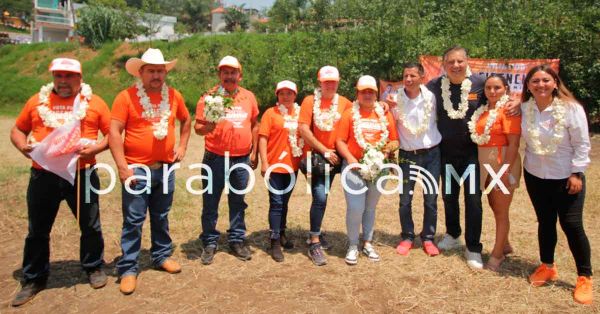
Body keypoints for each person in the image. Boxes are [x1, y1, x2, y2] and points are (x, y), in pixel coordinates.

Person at [10, 58, 109, 306]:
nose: (63, 81)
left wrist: (96, 148)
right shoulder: (37, 101)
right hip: (44, 175)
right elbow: (17, 130)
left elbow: (112, 134)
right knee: (38, 229)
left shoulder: (94, 103)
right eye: (58, 76)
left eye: (69, 76)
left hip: (83, 173)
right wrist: (23, 147)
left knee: (90, 223)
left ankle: (93, 267)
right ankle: (34, 278)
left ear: (80, 78)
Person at [426, 46, 519, 269]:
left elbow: (503, 96)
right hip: (446, 153)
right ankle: (452, 233)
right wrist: (383, 103)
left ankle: (473, 247)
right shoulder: (435, 85)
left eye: (460, 61)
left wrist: (519, 102)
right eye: (451, 62)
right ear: (444, 65)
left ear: (467, 62)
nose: (456, 66)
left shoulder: (479, 84)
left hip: (472, 156)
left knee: (473, 200)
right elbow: (413, 97)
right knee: (449, 196)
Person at [109, 48, 191, 295]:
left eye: (160, 71)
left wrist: (183, 146)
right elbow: (114, 132)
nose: (156, 75)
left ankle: (161, 255)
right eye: (152, 71)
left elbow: (186, 121)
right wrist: (123, 167)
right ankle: (128, 268)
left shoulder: (174, 96)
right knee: (134, 221)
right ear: (141, 72)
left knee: (161, 215)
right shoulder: (126, 97)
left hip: (166, 168)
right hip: (137, 169)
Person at [520, 65, 592, 304]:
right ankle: (547, 266)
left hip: (565, 176)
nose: (540, 85)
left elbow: (582, 144)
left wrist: (577, 173)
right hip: (535, 174)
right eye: (535, 81)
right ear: (528, 86)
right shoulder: (524, 109)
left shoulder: (571, 109)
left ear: (554, 82)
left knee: (572, 225)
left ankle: (584, 276)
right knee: (546, 222)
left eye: (545, 80)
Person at [195, 56, 259, 265]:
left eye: (233, 72)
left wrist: (254, 152)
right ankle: (210, 241)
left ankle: (237, 239)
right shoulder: (210, 97)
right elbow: (198, 128)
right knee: (211, 201)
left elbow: (255, 124)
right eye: (225, 72)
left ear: (239, 75)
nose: (229, 76)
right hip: (215, 158)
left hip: (241, 158)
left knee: (238, 201)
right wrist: (209, 127)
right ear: (219, 75)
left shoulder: (249, 97)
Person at [336, 75, 399, 265]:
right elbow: (339, 141)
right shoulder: (349, 114)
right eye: (364, 92)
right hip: (354, 168)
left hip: (378, 168)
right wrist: (352, 160)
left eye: (371, 91)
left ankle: (368, 242)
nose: (368, 95)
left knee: (370, 208)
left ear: (376, 94)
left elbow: (394, 140)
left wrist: (385, 153)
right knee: (356, 208)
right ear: (358, 93)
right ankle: (353, 245)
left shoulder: (384, 113)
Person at [298, 65, 353, 266]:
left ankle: (317, 233)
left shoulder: (345, 103)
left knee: (327, 196)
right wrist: (324, 151)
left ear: (338, 82)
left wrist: (381, 105)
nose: (330, 85)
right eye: (326, 81)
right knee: (320, 196)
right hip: (317, 158)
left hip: (338, 157)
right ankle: (314, 241)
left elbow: (360, 115)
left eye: (333, 81)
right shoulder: (309, 101)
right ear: (319, 82)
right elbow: (303, 129)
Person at [468, 74, 521, 271]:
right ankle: (505, 244)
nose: (492, 91)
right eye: (488, 88)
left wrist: (506, 170)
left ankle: (497, 255)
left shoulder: (509, 110)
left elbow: (514, 142)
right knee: (493, 204)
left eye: (497, 87)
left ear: (506, 89)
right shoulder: (483, 110)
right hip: (484, 161)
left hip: (502, 160)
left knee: (501, 210)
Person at [391, 63, 442, 257]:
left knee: (431, 199)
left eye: (413, 75)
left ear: (422, 77)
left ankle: (428, 238)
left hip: (432, 154)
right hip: (407, 156)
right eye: (405, 76)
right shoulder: (396, 100)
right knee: (405, 199)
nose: (409, 79)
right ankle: (407, 236)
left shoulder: (432, 97)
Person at [258, 80, 305, 262]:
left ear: (295, 95)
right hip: (275, 166)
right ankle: (275, 241)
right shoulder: (271, 113)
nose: (286, 96)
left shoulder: (300, 114)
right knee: (276, 203)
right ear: (277, 95)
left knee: (284, 202)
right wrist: (264, 162)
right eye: (282, 93)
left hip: (292, 167)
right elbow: (263, 138)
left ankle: (282, 232)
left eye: (289, 93)